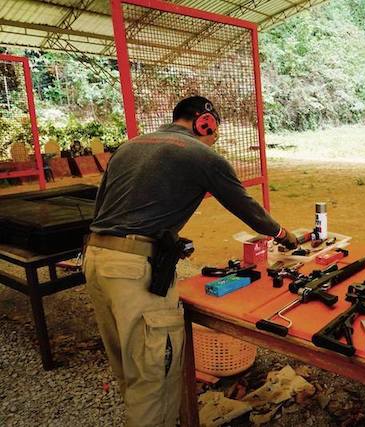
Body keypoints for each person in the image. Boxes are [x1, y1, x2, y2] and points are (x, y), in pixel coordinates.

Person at [83, 96, 298, 426]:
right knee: (154, 379)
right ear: (205, 122)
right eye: (214, 132)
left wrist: (166, 236)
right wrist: (284, 235)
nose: (213, 139)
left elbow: (108, 213)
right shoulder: (202, 155)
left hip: (97, 261)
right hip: (135, 274)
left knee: (130, 369)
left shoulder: (128, 148)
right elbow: (246, 208)